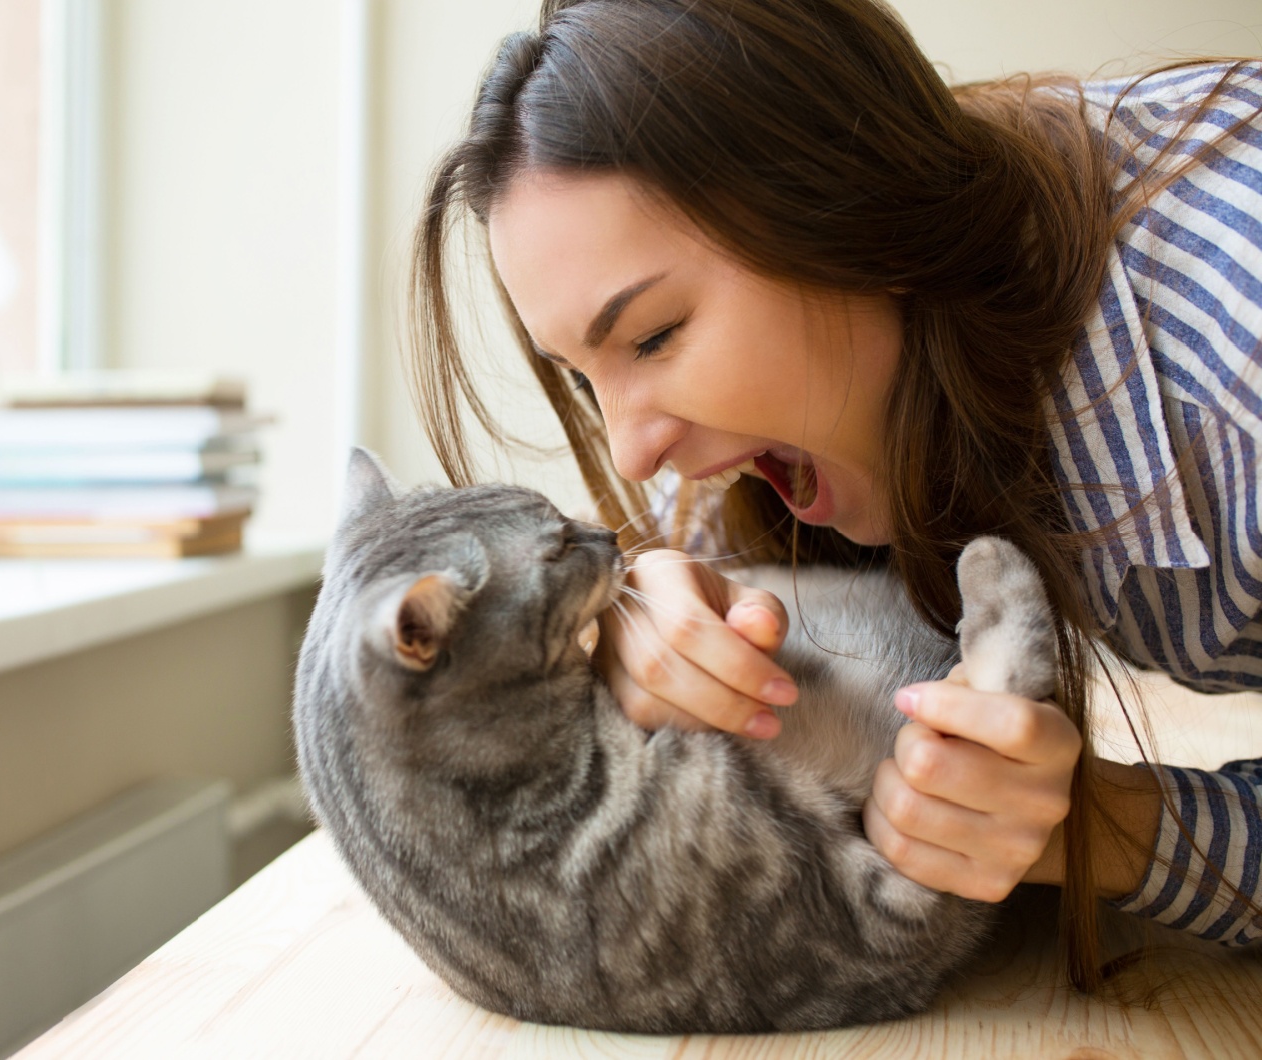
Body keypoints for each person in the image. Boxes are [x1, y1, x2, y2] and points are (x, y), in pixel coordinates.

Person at [406, 0, 1262, 988]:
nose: (634, 453)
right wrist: (638, 613)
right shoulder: (816, 421)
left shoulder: (1235, 371)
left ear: (847, 208)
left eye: (651, 336)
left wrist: (1111, 829)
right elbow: (678, 564)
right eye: (585, 377)